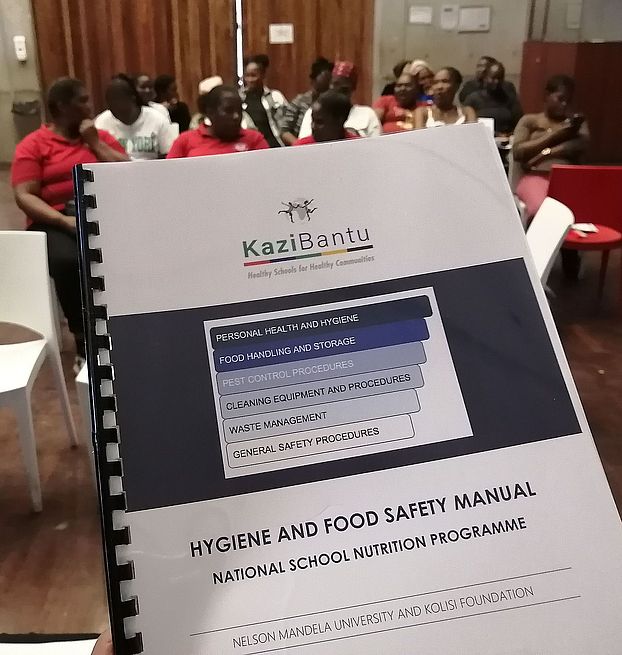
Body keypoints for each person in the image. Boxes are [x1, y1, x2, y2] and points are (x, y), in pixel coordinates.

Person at [11, 78, 128, 370]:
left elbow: (128, 173)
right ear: (62, 106)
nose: (90, 106)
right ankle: (84, 341)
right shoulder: (34, 145)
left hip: (101, 214)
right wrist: (64, 221)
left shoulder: (98, 137)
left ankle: (126, 327)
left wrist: (96, 144)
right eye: (83, 100)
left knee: (130, 252)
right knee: (70, 260)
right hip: (54, 219)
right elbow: (24, 195)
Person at [512, 74, 589, 219]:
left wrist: (547, 153)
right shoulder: (530, 120)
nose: (564, 104)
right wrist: (554, 135)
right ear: (547, 95)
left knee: (583, 211)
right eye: (560, 99)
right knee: (542, 211)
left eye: (568, 101)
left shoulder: (574, 124)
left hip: (568, 179)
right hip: (536, 176)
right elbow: (518, 151)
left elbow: (580, 146)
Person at [167, 85, 269, 158]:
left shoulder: (255, 139)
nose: (236, 116)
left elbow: (268, 172)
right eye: (228, 111)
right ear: (210, 112)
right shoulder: (185, 141)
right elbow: (169, 175)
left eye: (239, 110)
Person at [95, 74, 175, 160]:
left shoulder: (158, 119)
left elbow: (169, 156)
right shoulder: (101, 122)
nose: (115, 109)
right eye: (111, 105)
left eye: (119, 102)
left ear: (132, 98)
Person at [298, 61, 382, 138]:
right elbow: (305, 145)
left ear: (353, 88)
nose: (338, 93)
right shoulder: (314, 113)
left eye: (344, 90)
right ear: (329, 85)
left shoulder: (368, 114)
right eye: (335, 86)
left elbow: (376, 145)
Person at [280, 57, 333, 145]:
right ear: (313, 81)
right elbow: (284, 131)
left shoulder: (333, 103)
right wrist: (300, 145)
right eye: (320, 89)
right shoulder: (300, 101)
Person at [241, 54, 287, 148]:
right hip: (251, 147)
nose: (250, 79)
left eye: (253, 75)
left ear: (263, 75)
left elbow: (286, 124)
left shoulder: (275, 96)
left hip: (274, 145)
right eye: (247, 76)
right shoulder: (239, 98)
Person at [464, 62, 523, 135]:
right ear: (485, 78)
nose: (497, 81)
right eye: (493, 78)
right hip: (483, 137)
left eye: (500, 78)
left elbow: (519, 123)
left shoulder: (510, 99)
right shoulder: (473, 99)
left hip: (506, 139)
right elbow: (468, 125)